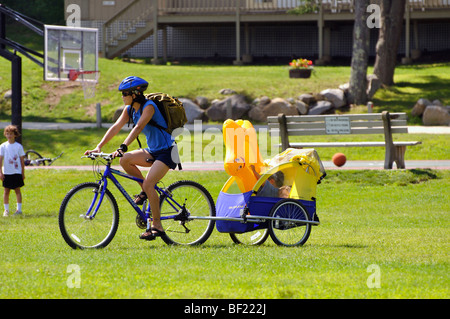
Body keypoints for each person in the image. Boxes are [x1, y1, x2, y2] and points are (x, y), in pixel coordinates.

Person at [85, 76, 178, 240]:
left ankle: (157, 226)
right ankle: (145, 190)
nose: (122, 96)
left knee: (150, 184)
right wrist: (99, 146)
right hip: (153, 150)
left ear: (135, 93)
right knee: (125, 160)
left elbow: (139, 127)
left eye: (125, 93)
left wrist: (123, 146)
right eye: (121, 93)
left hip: (168, 151)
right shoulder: (129, 109)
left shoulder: (149, 107)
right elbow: (116, 127)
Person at [0, 125, 26, 217]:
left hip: (16, 172)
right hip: (7, 172)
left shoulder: (18, 147)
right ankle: (6, 210)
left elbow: (22, 161)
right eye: (7, 134)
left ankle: (19, 210)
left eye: (11, 134)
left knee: (17, 190)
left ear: (15, 135)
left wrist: (22, 173)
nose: (9, 135)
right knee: (6, 191)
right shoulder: (3, 146)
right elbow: (0, 159)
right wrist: (0, 172)